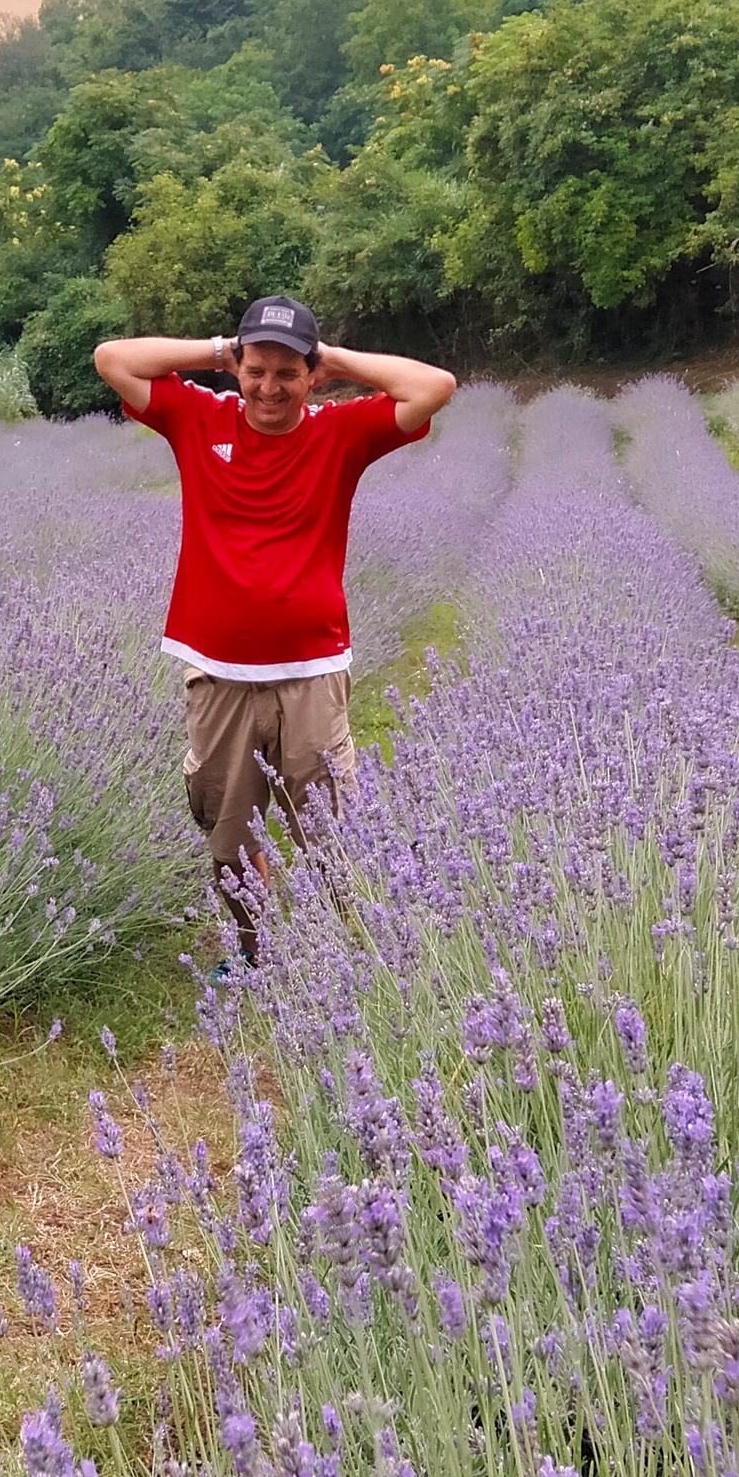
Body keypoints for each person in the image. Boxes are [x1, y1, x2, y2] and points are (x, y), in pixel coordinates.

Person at [93, 295, 457, 970]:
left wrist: (336, 359)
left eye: (287, 372)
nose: (269, 386)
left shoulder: (341, 432)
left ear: (311, 377)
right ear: (238, 368)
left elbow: (435, 387)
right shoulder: (198, 417)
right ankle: (256, 953)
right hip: (218, 672)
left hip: (312, 670)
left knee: (329, 832)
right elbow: (112, 359)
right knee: (228, 841)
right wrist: (213, 351)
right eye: (257, 368)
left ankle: (345, 960)